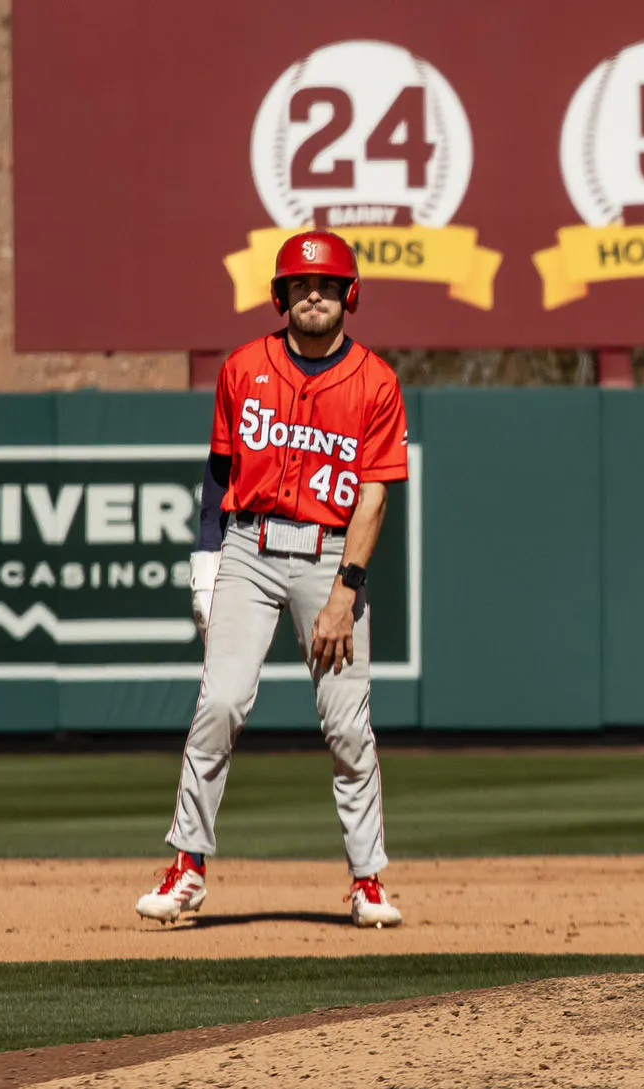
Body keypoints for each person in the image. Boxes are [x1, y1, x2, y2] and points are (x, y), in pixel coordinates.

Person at [135, 230, 408, 929]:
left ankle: (367, 878)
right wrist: (206, 559)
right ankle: (187, 865)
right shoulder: (243, 366)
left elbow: (374, 496)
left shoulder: (376, 381)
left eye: (324, 285)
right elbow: (219, 471)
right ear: (281, 296)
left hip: (327, 555)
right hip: (248, 548)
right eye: (298, 285)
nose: (311, 295)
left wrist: (346, 590)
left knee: (347, 724)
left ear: (349, 295)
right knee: (219, 703)